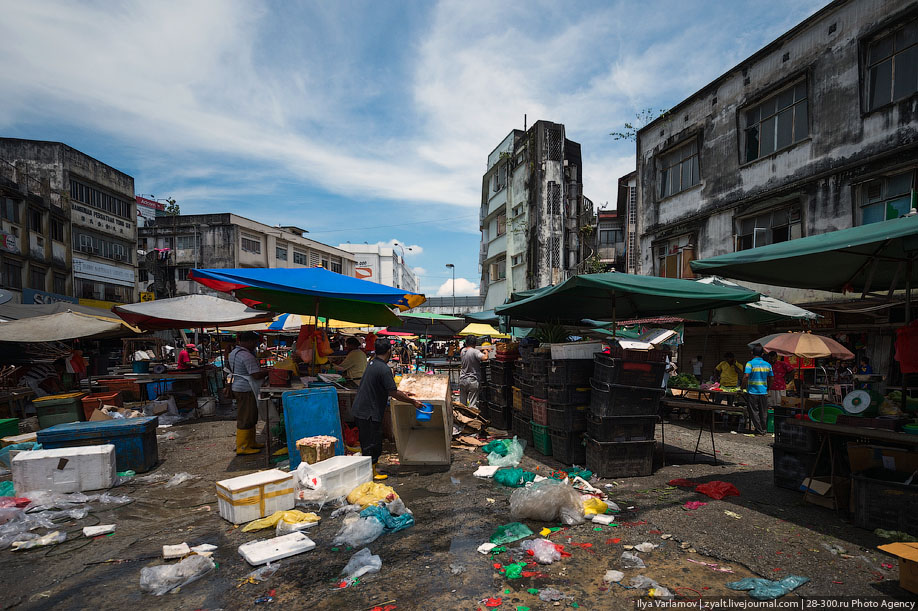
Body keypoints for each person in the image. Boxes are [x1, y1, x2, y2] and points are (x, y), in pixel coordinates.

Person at [351, 339, 422, 480]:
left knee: (368, 441)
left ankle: (369, 470)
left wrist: (403, 393)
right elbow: (393, 392)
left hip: (361, 409)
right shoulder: (383, 369)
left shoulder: (372, 363)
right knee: (373, 443)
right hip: (369, 412)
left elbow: (388, 389)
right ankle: (371, 473)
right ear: (389, 351)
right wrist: (412, 402)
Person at [228, 331, 268, 455]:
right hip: (245, 389)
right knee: (246, 417)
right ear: (250, 341)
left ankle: (251, 442)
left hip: (240, 387)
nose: (255, 345)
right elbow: (255, 375)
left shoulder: (234, 352)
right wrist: (268, 371)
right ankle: (243, 447)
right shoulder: (247, 356)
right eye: (255, 343)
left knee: (250, 416)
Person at [743, 345, 773, 434]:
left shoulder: (750, 363)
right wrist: (768, 388)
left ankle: (759, 429)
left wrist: (742, 387)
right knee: (763, 411)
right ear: (762, 354)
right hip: (763, 391)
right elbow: (772, 378)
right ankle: (763, 429)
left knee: (754, 411)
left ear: (752, 353)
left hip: (752, 391)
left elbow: (746, 376)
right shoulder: (768, 364)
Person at [459, 336, 489, 409]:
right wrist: (486, 352)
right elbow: (485, 358)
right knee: (473, 405)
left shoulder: (463, 351)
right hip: (473, 380)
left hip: (463, 379)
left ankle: (462, 418)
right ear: (475, 343)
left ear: (466, 343)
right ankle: (472, 419)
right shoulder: (475, 351)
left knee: (462, 404)